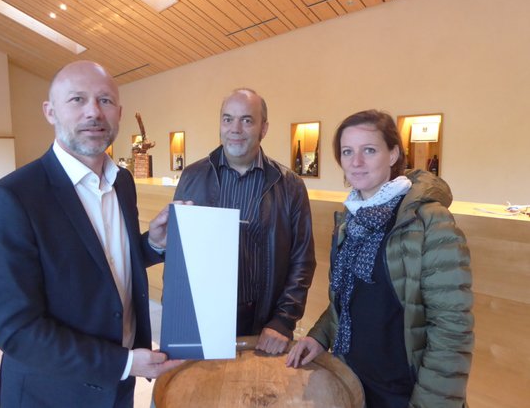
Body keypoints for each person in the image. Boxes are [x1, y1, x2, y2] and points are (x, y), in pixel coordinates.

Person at [0, 60, 185, 408]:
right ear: (50, 111)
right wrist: (126, 363)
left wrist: (153, 244)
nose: (94, 112)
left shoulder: (123, 183)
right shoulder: (10, 199)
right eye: (77, 99)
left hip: (117, 391)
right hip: (53, 394)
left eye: (104, 101)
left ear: (118, 112)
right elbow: (17, 331)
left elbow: (105, 265)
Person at [286, 110, 474, 407]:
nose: (356, 162)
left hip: (404, 393)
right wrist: (319, 337)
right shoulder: (351, 218)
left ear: (393, 154)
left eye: (369, 150)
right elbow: (350, 299)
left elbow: (452, 331)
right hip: (354, 380)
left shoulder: (431, 223)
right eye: (347, 152)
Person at [173, 88, 316, 355]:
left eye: (247, 120)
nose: (235, 129)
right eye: (228, 119)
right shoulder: (192, 176)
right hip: (205, 317)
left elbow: (302, 260)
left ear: (264, 128)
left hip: (263, 322)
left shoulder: (290, 185)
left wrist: (284, 320)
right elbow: (180, 255)